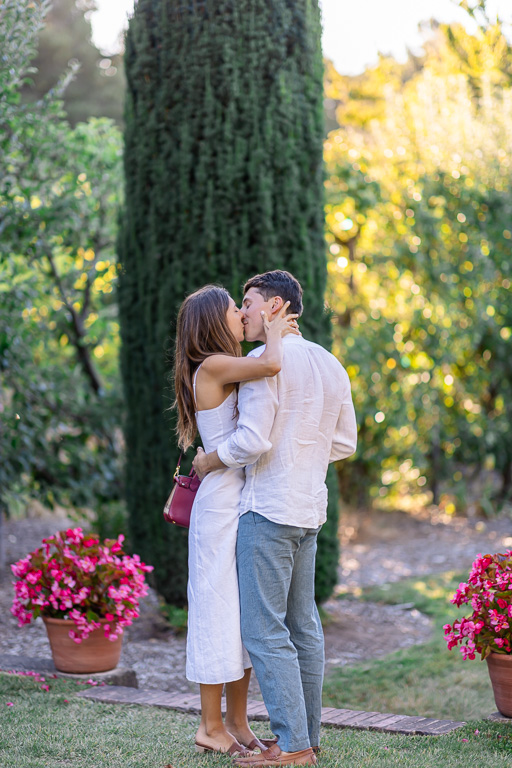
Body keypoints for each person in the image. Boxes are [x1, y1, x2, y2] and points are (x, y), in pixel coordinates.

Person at [193, 270, 358, 768]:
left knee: (265, 631)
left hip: (266, 510)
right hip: (309, 510)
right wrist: (303, 459)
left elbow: (251, 442)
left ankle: (293, 747)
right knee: (303, 628)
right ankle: (307, 738)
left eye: (247, 302)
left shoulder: (260, 363)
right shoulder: (331, 364)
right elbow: (345, 444)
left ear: (275, 306)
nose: (241, 312)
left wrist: (209, 461)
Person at [173, 284, 299, 757]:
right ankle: (210, 726)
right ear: (212, 321)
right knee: (215, 613)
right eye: (234, 309)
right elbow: (270, 364)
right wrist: (275, 329)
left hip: (237, 497)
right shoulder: (212, 365)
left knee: (240, 616)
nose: (240, 315)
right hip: (219, 505)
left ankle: (238, 723)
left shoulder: (222, 367)